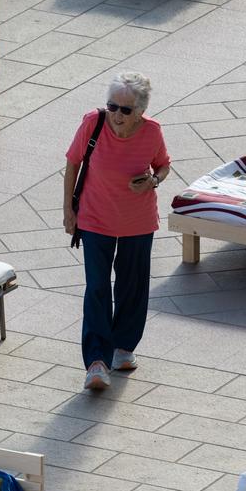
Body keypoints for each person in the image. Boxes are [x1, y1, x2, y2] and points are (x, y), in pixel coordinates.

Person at [63, 72, 171, 391]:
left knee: (132, 285)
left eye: (125, 110)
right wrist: (69, 210)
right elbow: (72, 163)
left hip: (138, 221)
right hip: (95, 219)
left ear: (140, 111)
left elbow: (164, 165)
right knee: (97, 287)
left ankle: (123, 348)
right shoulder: (92, 123)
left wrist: (153, 181)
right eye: (112, 106)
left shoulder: (152, 131)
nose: (116, 115)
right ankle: (96, 361)